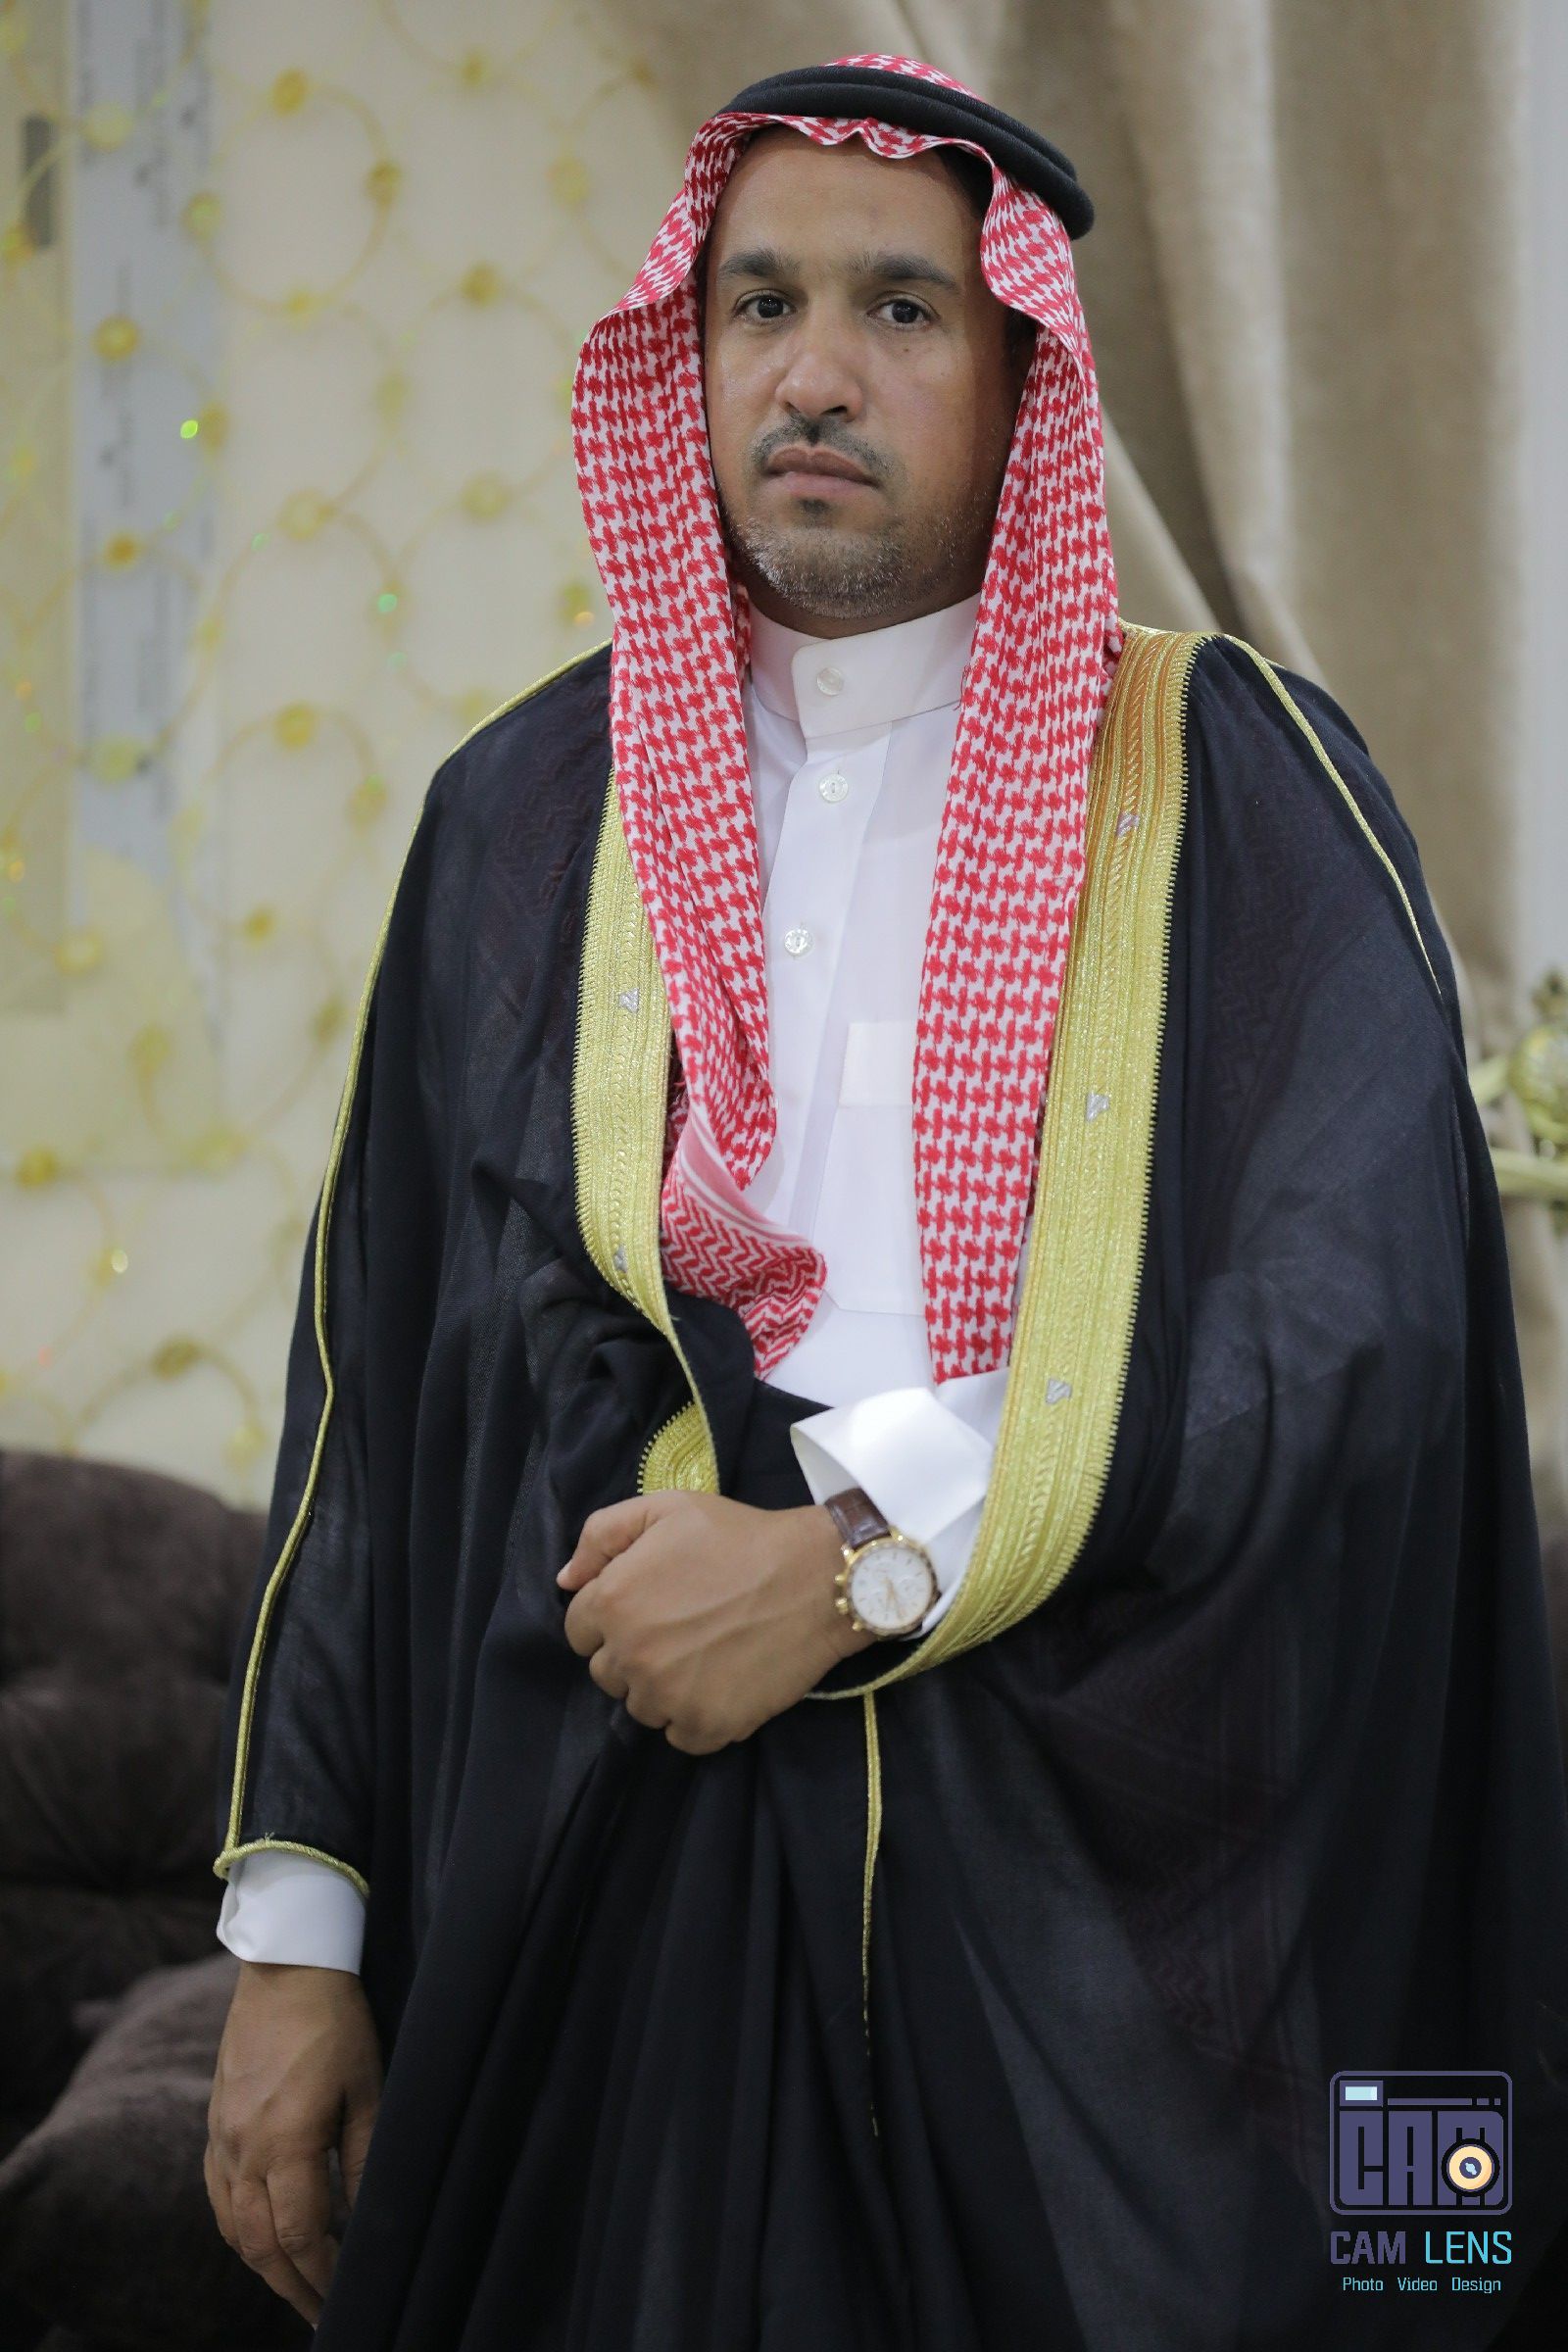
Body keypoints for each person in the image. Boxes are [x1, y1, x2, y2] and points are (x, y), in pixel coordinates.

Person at [202, 54, 1568, 2351]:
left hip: (1099, 1892)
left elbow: (1349, 1331)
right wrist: (293, 1945)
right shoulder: (523, 817)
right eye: (758, 305)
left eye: (899, 310)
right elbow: (374, 1383)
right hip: (604, 1859)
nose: (812, 373)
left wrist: (849, 1555)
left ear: (1024, 376)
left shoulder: (1237, 791)